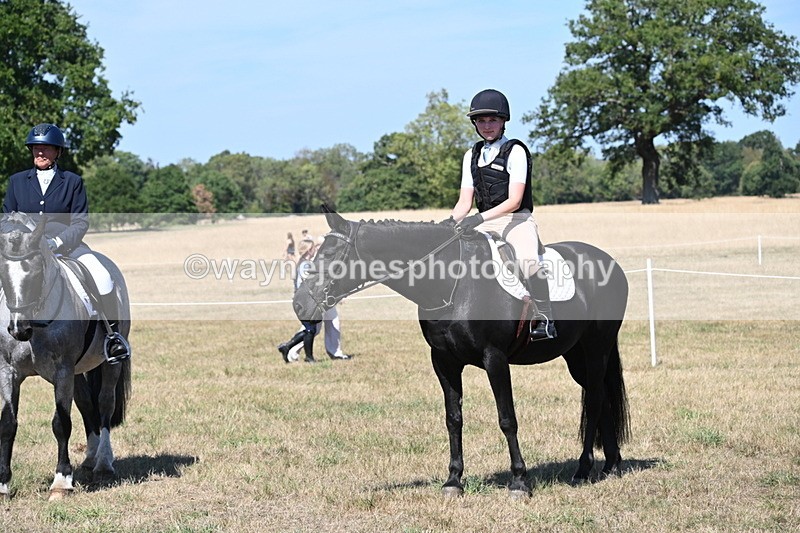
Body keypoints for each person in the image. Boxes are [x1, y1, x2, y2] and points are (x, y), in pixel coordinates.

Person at [2, 123, 132, 361]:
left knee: (102, 277)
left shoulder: (72, 182)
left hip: (68, 249)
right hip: (27, 253)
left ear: (57, 151)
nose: (39, 153)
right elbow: (6, 220)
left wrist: (57, 243)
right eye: (35, 148)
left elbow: (80, 223)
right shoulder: (17, 182)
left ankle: (113, 338)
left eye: (46, 148)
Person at [450, 90, 556, 340]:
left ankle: (546, 318)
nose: (486, 126)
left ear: (503, 121)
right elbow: (465, 202)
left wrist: (479, 219)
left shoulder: (516, 151)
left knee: (528, 261)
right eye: (481, 121)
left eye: (492, 120)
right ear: (475, 124)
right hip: (483, 221)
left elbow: (514, 200)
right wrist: (447, 224)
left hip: (516, 220)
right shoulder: (471, 155)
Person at [285, 237, 352, 362]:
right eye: (316, 246)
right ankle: (291, 350)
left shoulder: (316, 261)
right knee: (313, 330)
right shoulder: (307, 264)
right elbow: (314, 283)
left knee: (332, 323)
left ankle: (335, 352)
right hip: (315, 300)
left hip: (324, 299)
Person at [277, 239, 321, 363]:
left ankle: (287, 347)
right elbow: (312, 283)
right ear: (308, 250)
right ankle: (307, 357)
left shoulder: (303, 263)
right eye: (313, 248)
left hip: (303, 300)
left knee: (310, 329)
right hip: (305, 301)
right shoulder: (306, 265)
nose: (314, 251)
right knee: (310, 329)